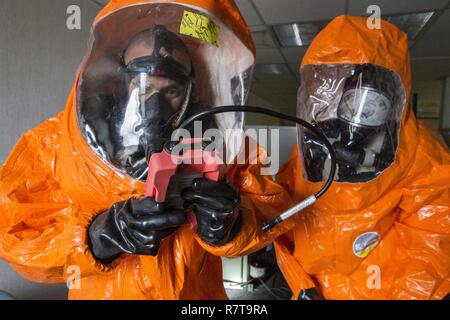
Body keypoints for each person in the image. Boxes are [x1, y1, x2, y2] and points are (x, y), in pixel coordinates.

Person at [0, 0, 292, 300]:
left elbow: (271, 209)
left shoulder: (224, 145)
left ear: (190, 90)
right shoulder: (60, 143)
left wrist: (233, 224)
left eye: (171, 91)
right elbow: (12, 231)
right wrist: (96, 237)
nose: (155, 105)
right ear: (120, 84)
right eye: (143, 87)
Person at [198, 15, 450, 300]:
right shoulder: (315, 148)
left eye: (372, 103)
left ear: (392, 96)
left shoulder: (421, 156)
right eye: (351, 99)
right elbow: (280, 211)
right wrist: (231, 227)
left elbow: (433, 245)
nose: (358, 113)